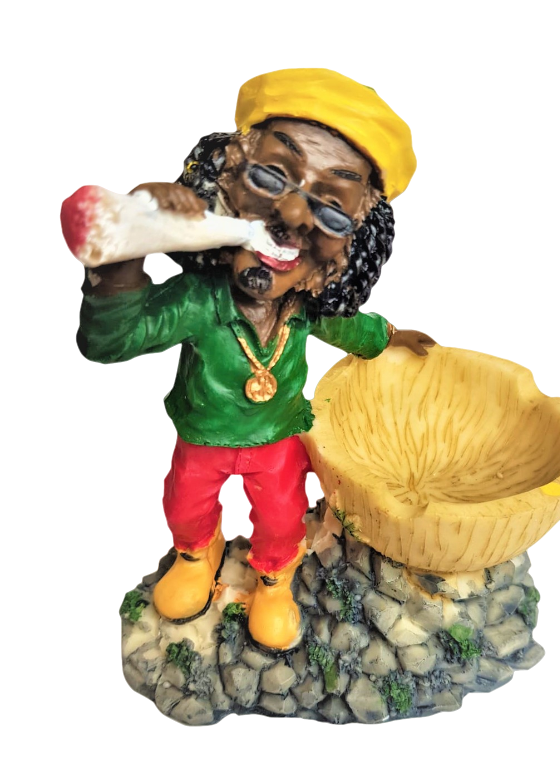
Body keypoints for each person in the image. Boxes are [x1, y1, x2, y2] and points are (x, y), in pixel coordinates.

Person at [78, 69, 435, 651]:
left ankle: (273, 580)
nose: (293, 214)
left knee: (282, 515)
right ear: (224, 183)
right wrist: (121, 260)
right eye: (271, 175)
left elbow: (349, 328)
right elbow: (111, 343)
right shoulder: (199, 301)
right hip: (203, 436)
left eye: (332, 211)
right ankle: (195, 556)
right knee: (185, 504)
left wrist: (389, 338)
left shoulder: (307, 308)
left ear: (345, 254)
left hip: (276, 442)